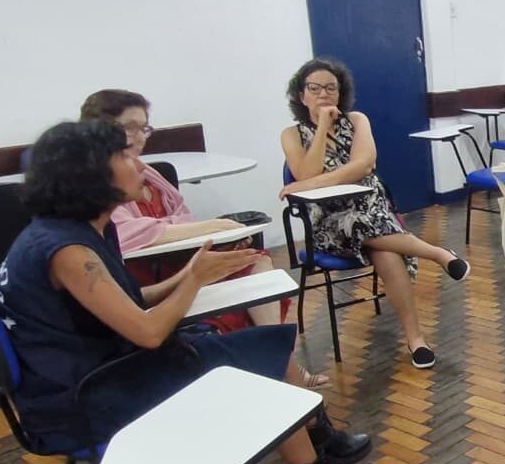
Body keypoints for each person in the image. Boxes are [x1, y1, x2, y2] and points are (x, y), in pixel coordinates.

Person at [0, 121, 379, 464]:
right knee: (257, 352)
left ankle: (316, 456)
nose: (140, 167)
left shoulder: (76, 230)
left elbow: (127, 300)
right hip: (84, 401)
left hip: (93, 372)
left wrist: (192, 272)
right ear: (90, 174)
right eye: (126, 156)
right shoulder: (69, 249)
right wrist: (193, 280)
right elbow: (146, 331)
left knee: (253, 347)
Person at [78, 89, 328, 389]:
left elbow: (182, 218)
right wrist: (207, 229)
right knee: (241, 266)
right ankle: (282, 373)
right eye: (129, 127)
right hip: (148, 273)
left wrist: (209, 236)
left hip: (175, 261)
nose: (140, 136)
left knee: (253, 260)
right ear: (99, 128)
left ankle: (279, 365)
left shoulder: (147, 173)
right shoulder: (99, 189)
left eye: (144, 127)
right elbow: (131, 234)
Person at [280, 57, 470, 370]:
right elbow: (305, 172)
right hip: (327, 223)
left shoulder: (357, 120)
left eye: (331, 88)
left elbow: (364, 165)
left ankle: (416, 338)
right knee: (372, 236)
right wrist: (323, 127)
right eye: (315, 89)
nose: (324, 94)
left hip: (371, 208)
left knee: (383, 249)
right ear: (302, 96)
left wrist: (310, 181)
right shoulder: (292, 134)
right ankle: (437, 254)